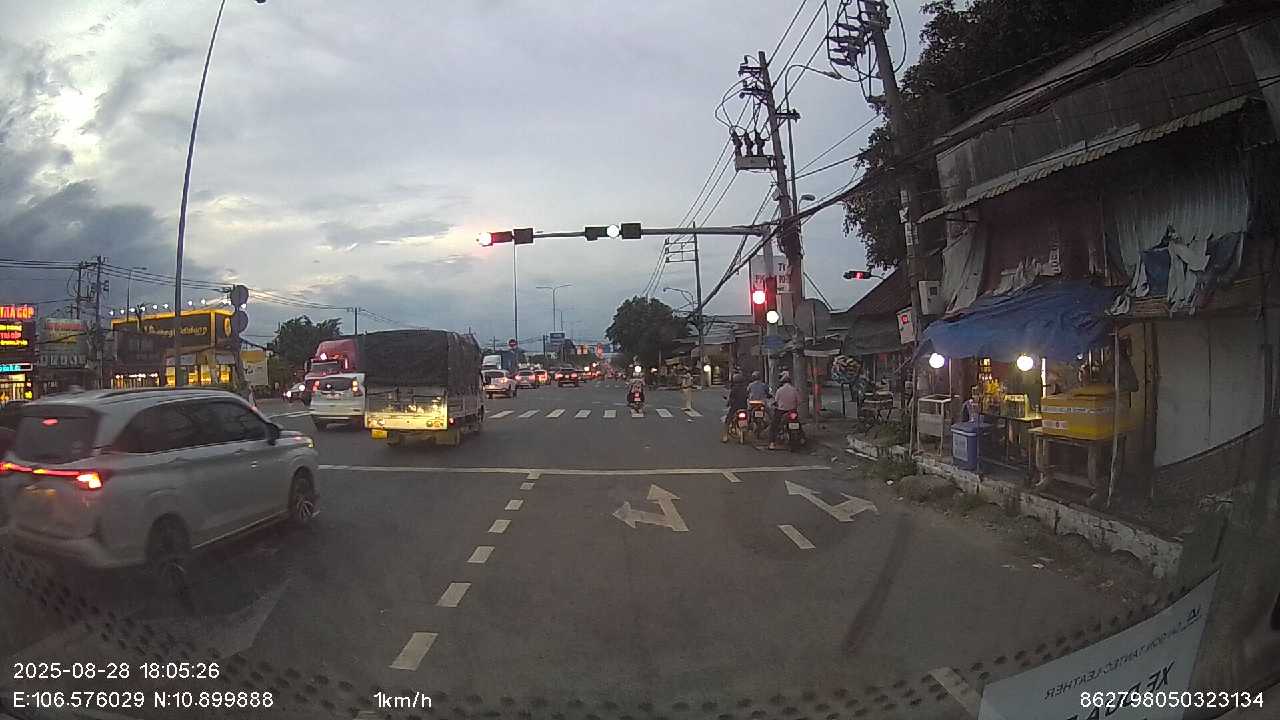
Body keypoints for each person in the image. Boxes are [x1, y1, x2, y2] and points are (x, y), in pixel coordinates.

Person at [769, 371, 801, 450]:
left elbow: (776, 401)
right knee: (798, 424)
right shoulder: (794, 390)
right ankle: (802, 439)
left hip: (781, 411)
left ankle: (772, 443)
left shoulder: (779, 390)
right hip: (792, 411)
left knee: (773, 426)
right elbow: (799, 401)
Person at [720, 372, 749, 442]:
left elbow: (731, 399)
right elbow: (748, 397)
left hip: (735, 407)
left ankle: (725, 436)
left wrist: (728, 404)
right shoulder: (745, 388)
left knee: (728, 420)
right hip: (744, 407)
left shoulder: (734, 389)